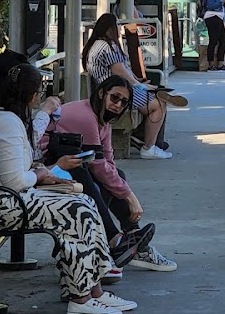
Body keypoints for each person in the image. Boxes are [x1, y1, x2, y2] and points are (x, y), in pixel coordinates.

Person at [0, 61, 135, 314]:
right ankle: (80, 297)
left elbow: (22, 163)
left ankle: (93, 290)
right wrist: (42, 174)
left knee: (83, 200)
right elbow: (15, 181)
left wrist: (45, 172)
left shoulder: (4, 118)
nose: (39, 97)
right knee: (77, 210)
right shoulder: (6, 122)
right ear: (28, 95)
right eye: (38, 92)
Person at [52, 76, 177, 272]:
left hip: (69, 165)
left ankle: (126, 243)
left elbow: (108, 162)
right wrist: (130, 197)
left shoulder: (103, 121)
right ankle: (115, 242)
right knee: (92, 181)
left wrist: (123, 189)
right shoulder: (85, 116)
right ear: (101, 93)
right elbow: (99, 166)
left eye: (124, 102)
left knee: (115, 176)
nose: (118, 105)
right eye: (114, 98)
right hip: (47, 166)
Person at [82, 13, 182, 160]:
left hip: (109, 90)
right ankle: (149, 147)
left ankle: (148, 140)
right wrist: (139, 85)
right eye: (117, 25)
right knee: (159, 104)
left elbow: (123, 71)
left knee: (157, 94)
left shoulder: (97, 44)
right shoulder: (108, 46)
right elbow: (120, 71)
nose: (120, 28)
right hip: (117, 93)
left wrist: (139, 81)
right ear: (110, 28)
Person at [201, 0, 225, 70]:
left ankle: (219, 63)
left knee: (223, 40)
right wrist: (222, 1)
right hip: (212, 16)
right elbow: (211, 5)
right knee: (214, 40)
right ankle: (211, 63)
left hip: (217, 16)